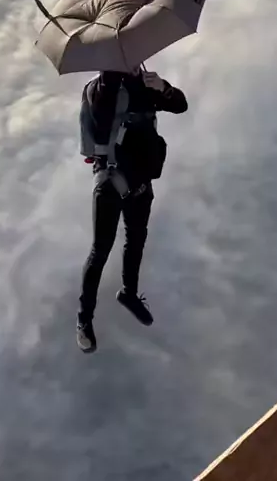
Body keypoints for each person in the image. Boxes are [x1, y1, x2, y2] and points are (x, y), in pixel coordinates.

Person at [77, 67, 188, 353]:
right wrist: (111, 80)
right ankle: (84, 320)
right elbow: (101, 121)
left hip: (141, 179)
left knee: (136, 238)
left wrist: (163, 87)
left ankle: (128, 293)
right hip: (112, 179)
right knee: (101, 250)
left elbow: (180, 105)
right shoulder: (101, 87)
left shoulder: (145, 82)